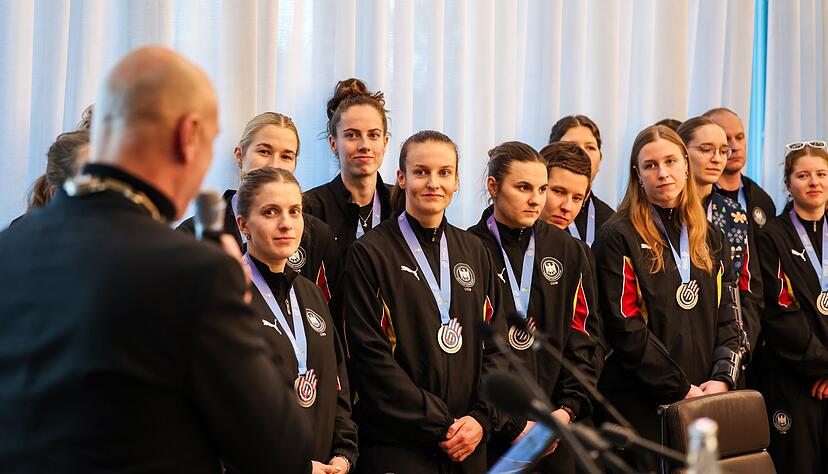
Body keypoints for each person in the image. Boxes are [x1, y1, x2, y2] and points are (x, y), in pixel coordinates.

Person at [0, 46, 311, 473]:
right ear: (187, 137)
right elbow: (281, 451)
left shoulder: (12, 247)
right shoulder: (193, 272)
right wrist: (239, 309)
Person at [342, 130, 507, 473]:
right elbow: (369, 356)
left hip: (468, 443)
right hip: (398, 444)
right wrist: (444, 423)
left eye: (444, 172)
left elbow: (498, 345)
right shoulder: (370, 253)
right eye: (421, 172)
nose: (433, 182)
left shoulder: (475, 251)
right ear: (401, 178)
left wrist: (481, 419)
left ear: (457, 181)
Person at [592, 125, 741, 452]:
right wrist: (680, 388)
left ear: (686, 165)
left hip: (706, 395)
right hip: (643, 402)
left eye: (671, 161)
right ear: (637, 174)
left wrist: (721, 379)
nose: (663, 173)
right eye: (650, 165)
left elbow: (730, 318)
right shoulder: (617, 235)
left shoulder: (711, 236)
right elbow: (625, 327)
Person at [467, 141, 597, 471]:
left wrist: (567, 409)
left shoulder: (568, 249)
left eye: (541, 188)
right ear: (493, 187)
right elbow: (470, 353)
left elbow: (583, 339)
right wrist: (511, 424)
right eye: (523, 187)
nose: (535, 199)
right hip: (495, 430)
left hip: (559, 425)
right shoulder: (467, 249)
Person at [235, 167, 357, 474]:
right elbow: (226, 410)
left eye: (295, 211)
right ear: (244, 225)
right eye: (271, 212)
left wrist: (343, 454)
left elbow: (338, 384)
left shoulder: (312, 293)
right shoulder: (225, 298)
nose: (286, 224)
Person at [179, 112, 340, 302]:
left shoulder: (317, 235)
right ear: (239, 155)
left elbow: (329, 319)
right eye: (264, 152)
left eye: (286, 156)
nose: (274, 165)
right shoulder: (193, 235)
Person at [756, 141, 828, 474]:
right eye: (803, 175)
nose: (814, 182)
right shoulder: (771, 237)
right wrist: (822, 367)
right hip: (796, 381)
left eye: (821, 174)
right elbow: (781, 312)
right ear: (788, 184)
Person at [678, 117, 763, 384]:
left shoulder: (735, 213)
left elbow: (748, 288)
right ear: (681, 153)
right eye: (705, 149)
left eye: (722, 151)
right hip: (679, 345)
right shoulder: (665, 212)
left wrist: (736, 348)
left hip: (727, 350)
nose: (717, 158)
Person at [303, 78, 393, 257]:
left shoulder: (401, 204)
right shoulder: (309, 208)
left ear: (385, 142)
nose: (364, 145)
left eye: (373, 135)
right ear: (333, 143)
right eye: (352, 135)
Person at [547, 115, 615, 246]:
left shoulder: (610, 221)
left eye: (590, 147)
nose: (582, 154)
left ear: (600, 159)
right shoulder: (529, 214)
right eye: (571, 146)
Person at [704, 107, 776, 228]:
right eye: (726, 139)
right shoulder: (699, 197)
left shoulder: (762, 199)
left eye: (739, 137)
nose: (735, 146)